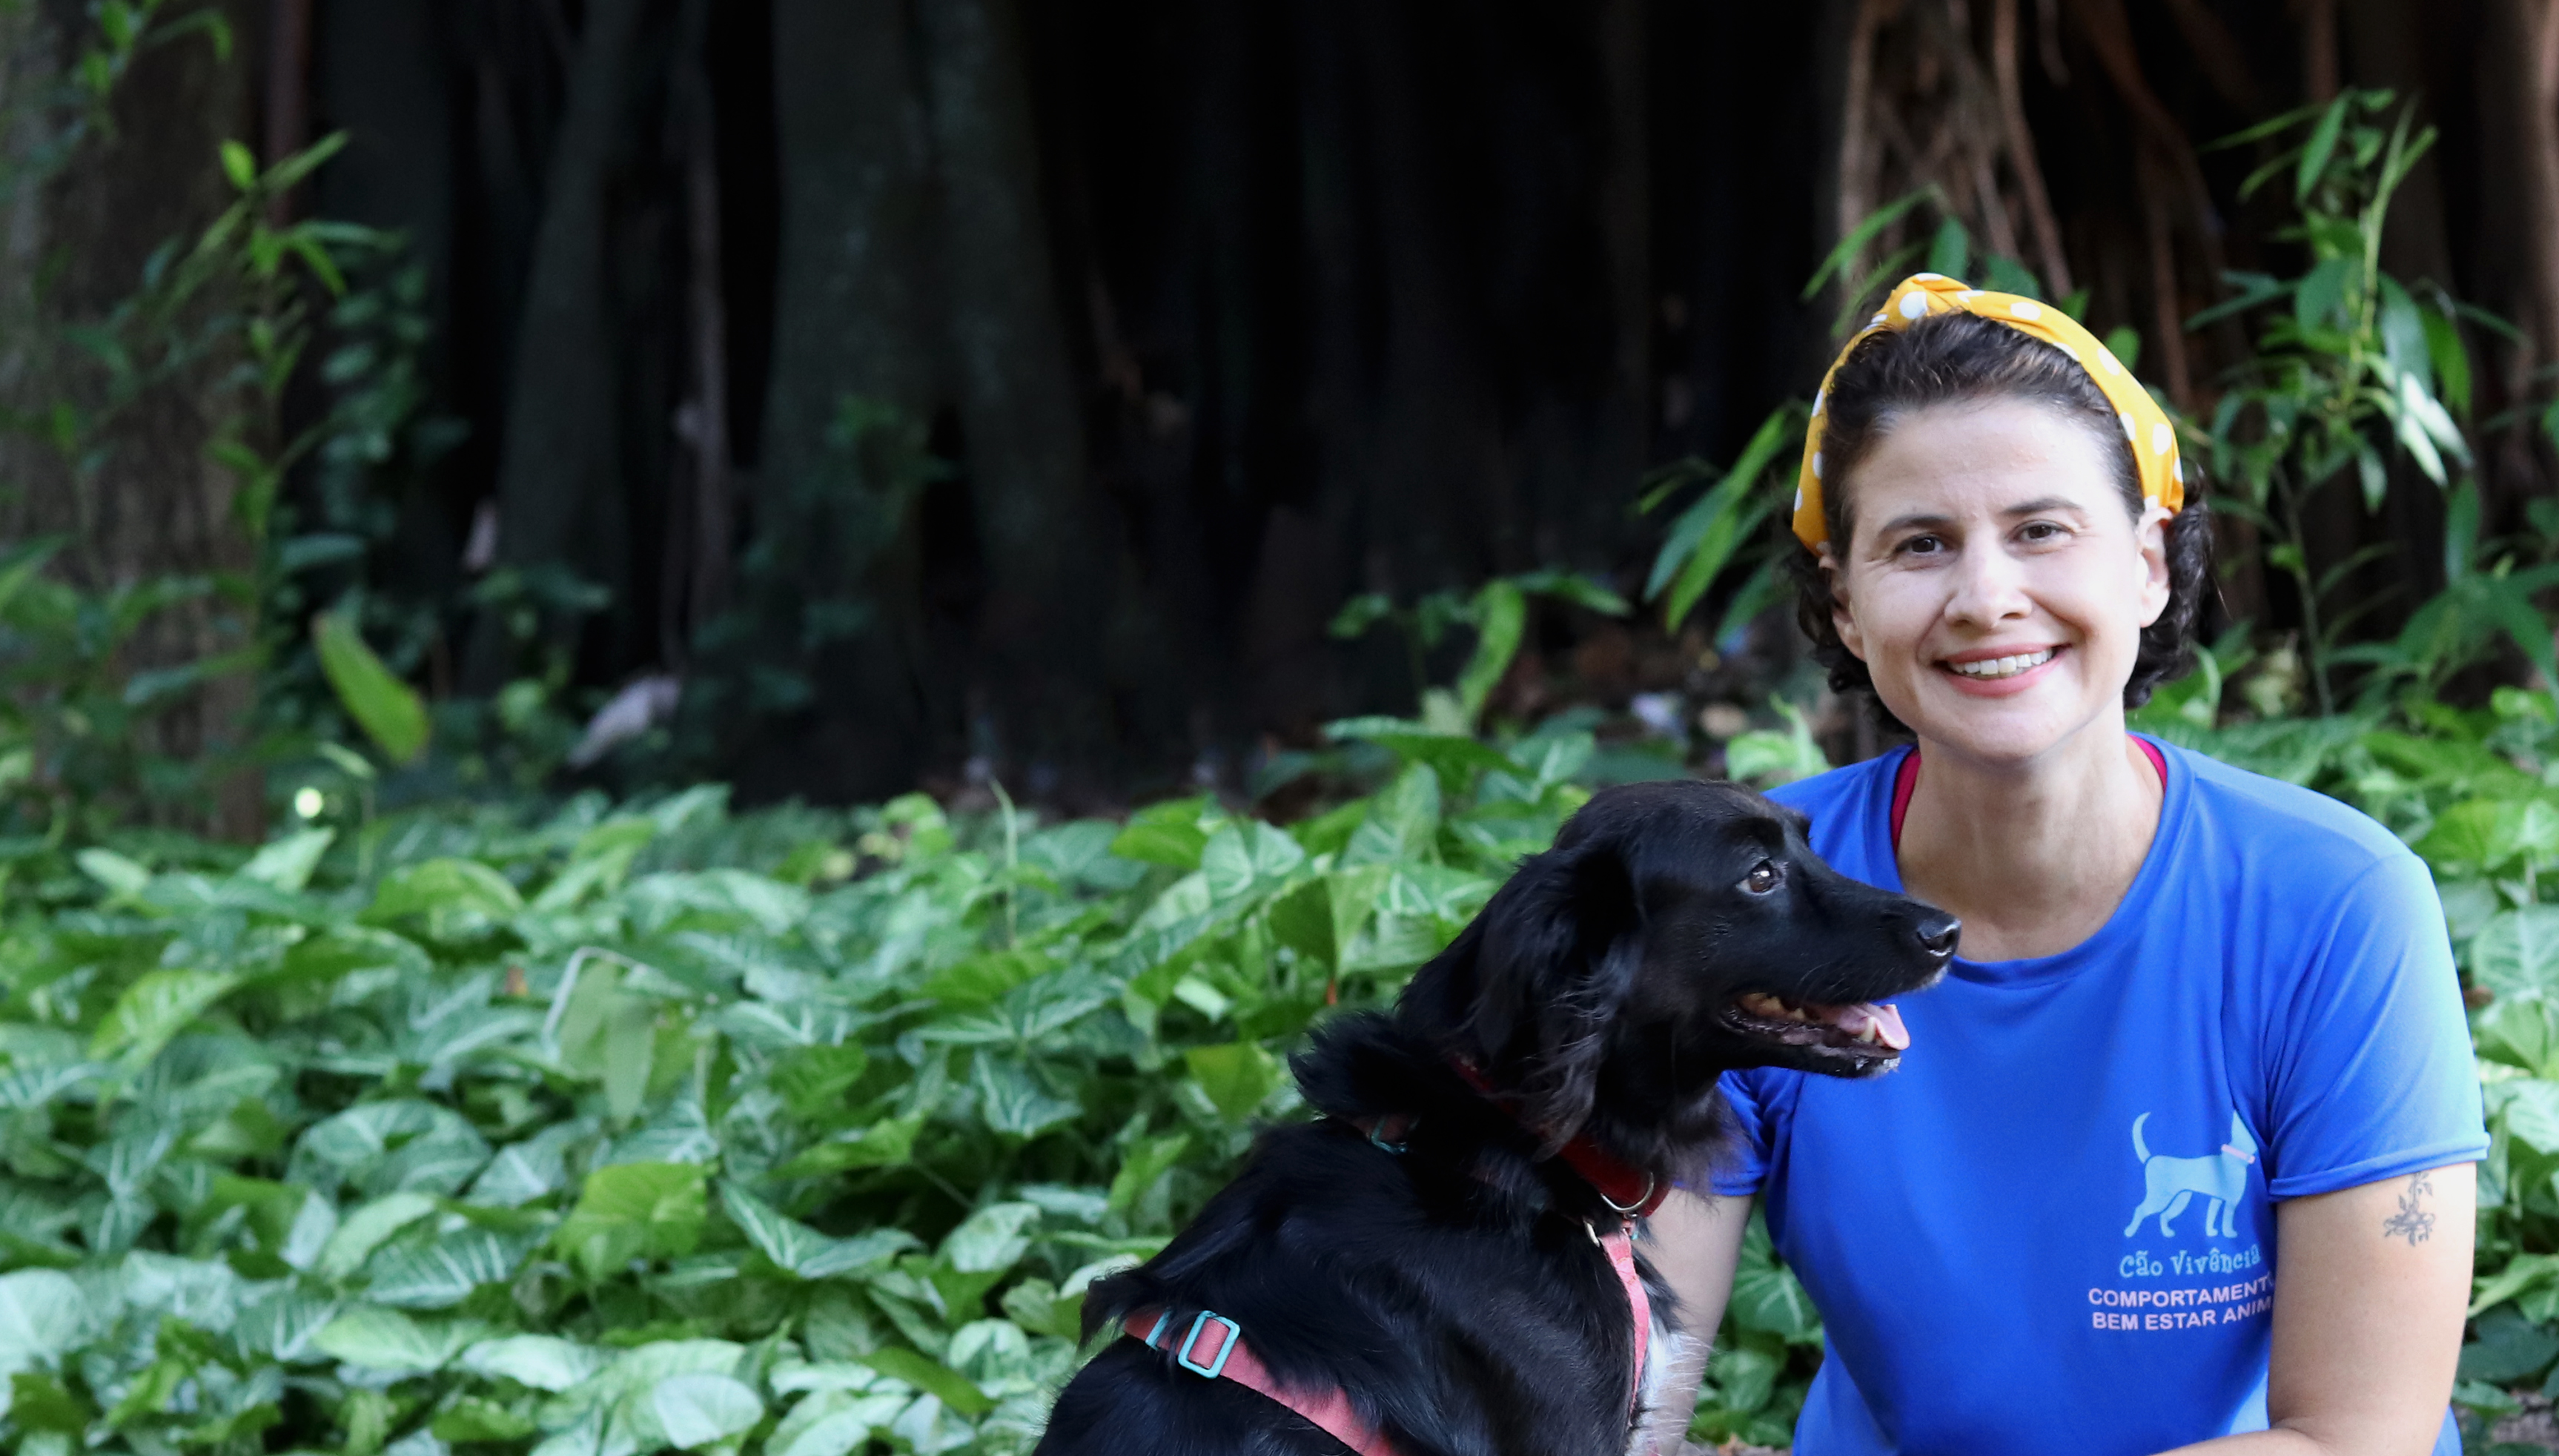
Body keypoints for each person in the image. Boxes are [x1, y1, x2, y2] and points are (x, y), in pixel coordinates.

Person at [1650, 274, 2486, 1456]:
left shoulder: (2331, 904)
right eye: (1920, 544)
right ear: (1844, 603)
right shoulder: (1741, 901)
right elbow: (1630, 1390)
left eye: (2041, 530)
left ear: (2148, 564)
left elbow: (2358, 1439)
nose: (1987, 598)